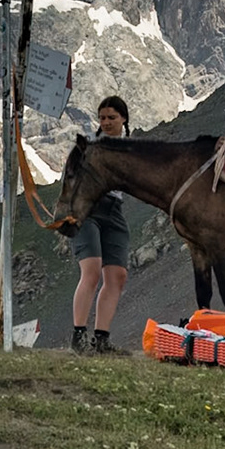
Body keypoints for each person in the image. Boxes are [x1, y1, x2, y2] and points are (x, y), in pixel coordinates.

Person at [70, 96, 132, 355]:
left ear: (124, 120)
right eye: (102, 118)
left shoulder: (132, 150)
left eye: (111, 118)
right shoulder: (89, 147)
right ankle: (79, 336)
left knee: (117, 276)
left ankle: (101, 339)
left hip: (114, 210)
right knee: (92, 271)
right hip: (88, 209)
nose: (106, 122)